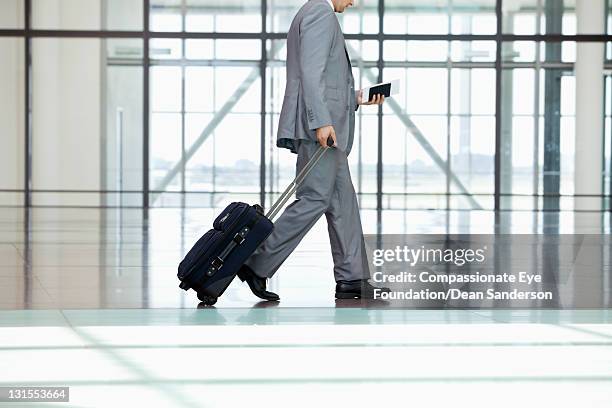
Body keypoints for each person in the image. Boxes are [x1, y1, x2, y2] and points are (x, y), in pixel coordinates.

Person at [237, 0, 390, 300]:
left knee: (342, 203)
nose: (354, 2)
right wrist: (320, 122)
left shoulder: (313, 13)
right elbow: (311, 72)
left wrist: (357, 98)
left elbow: (324, 80)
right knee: (314, 199)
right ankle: (257, 261)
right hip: (323, 130)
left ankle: (352, 278)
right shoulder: (320, 13)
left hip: (329, 126)